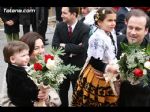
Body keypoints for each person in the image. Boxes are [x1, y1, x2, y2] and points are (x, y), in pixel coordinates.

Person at [72, 7, 119, 107]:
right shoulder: (98, 37)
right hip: (97, 74)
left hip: (110, 72)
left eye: (114, 20)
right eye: (110, 20)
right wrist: (107, 68)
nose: (113, 23)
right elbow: (94, 61)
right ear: (100, 22)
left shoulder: (110, 32)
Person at [1, 32, 61, 107]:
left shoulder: (46, 67)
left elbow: (56, 100)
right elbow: (5, 102)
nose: (42, 51)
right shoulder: (15, 70)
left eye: (42, 47)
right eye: (36, 48)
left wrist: (47, 98)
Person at [52, 7, 90, 107]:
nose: (61, 15)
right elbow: (55, 46)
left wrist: (64, 46)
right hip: (62, 67)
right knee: (62, 94)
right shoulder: (59, 26)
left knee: (77, 94)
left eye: (64, 13)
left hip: (77, 67)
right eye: (61, 13)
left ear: (73, 14)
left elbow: (83, 48)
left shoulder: (85, 28)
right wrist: (74, 48)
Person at [117, 9, 150, 107]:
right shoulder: (117, 41)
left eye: (138, 29)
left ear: (146, 30)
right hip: (116, 101)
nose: (133, 32)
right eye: (130, 27)